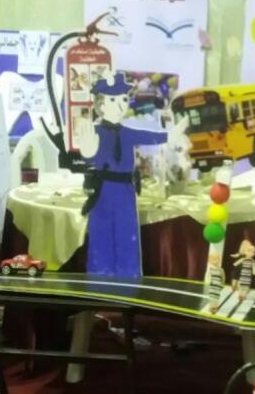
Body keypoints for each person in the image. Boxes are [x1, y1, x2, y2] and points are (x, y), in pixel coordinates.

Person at [61, 71, 187, 276]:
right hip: (102, 192)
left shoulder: (127, 133)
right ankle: (100, 282)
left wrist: (170, 135)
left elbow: (149, 136)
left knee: (127, 237)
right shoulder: (94, 132)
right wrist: (88, 155)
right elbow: (85, 157)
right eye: (113, 100)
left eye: (123, 99)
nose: (120, 105)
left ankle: (129, 283)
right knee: (101, 238)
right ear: (101, 105)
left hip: (126, 192)